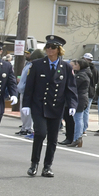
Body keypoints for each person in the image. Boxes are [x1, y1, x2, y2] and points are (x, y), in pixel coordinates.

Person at [22, 34, 76, 177]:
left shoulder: (65, 67)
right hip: (39, 106)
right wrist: (26, 104)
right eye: (48, 47)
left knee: (53, 139)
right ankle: (34, 164)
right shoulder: (37, 64)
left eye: (53, 47)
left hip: (56, 107)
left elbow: (70, 88)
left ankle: (47, 166)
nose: (50, 49)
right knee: (40, 133)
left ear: (59, 50)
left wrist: (72, 104)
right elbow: (29, 86)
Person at [69, 58, 93, 147]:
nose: (74, 66)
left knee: (78, 119)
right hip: (82, 97)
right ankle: (77, 138)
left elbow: (73, 86)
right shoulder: (82, 74)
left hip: (80, 98)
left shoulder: (81, 75)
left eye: (75, 65)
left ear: (80, 66)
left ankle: (77, 138)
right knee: (79, 118)